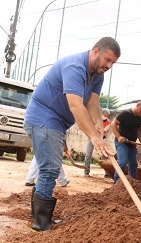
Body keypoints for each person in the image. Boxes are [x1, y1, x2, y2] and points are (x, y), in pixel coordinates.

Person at [24, 37, 120, 231]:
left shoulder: (97, 75)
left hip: (57, 122)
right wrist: (93, 136)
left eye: (113, 63)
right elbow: (76, 106)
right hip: (43, 117)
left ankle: (37, 216)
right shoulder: (75, 67)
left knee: (49, 167)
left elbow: (92, 103)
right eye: (107, 60)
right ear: (95, 51)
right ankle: (41, 222)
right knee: (50, 168)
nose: (109, 66)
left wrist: (98, 124)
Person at [110, 100, 141, 184]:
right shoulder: (125, 114)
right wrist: (119, 136)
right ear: (137, 105)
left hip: (132, 144)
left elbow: (139, 130)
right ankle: (115, 185)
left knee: (133, 164)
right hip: (121, 143)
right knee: (122, 162)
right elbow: (113, 124)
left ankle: (133, 185)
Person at [84, 108, 111, 177]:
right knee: (88, 154)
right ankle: (86, 172)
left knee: (104, 155)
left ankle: (107, 173)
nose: (105, 116)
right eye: (104, 115)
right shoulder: (95, 120)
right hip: (92, 138)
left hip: (101, 139)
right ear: (101, 114)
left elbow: (104, 132)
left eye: (107, 115)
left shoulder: (108, 122)